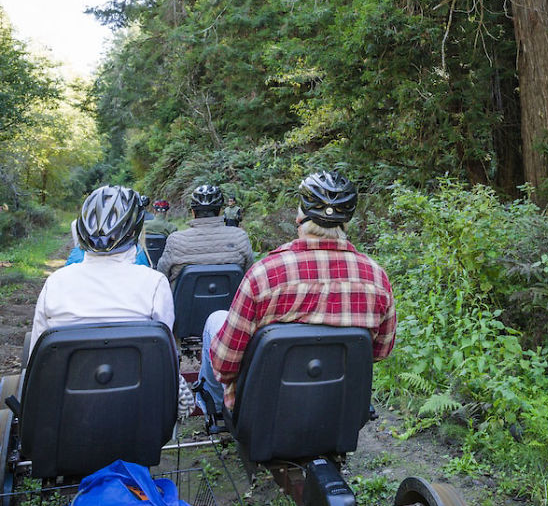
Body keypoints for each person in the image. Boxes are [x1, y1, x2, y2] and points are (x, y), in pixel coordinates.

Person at [197, 170, 396, 414]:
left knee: (215, 320)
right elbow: (379, 351)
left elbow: (225, 362)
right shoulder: (376, 278)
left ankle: (217, 412)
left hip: (264, 409)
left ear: (301, 216)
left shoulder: (264, 275)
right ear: (347, 222)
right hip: (337, 406)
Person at [31, 185, 194, 419]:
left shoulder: (56, 282)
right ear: (136, 228)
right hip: (136, 412)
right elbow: (164, 356)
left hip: (67, 415)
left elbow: (37, 360)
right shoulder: (154, 284)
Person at [157, 184, 254, 286]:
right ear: (221, 211)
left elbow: (161, 276)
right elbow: (250, 276)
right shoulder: (240, 237)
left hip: (184, 302)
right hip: (232, 302)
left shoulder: (175, 240)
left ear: (193, 212)